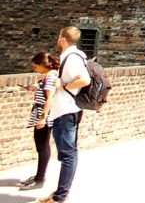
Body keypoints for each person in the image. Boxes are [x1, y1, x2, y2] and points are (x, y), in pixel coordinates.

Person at [39, 27, 91, 203]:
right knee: (70, 153)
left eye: (58, 36)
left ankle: (60, 197)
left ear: (62, 39)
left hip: (66, 111)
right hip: (68, 110)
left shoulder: (71, 57)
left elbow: (85, 79)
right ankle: (59, 194)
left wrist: (63, 86)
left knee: (68, 154)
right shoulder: (77, 55)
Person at [17, 52, 60, 192]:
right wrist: (35, 88)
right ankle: (38, 176)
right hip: (43, 114)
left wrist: (42, 117)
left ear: (44, 65)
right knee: (41, 145)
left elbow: (50, 98)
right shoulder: (50, 75)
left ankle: (40, 179)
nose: (34, 69)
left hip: (44, 115)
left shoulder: (51, 76)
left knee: (42, 146)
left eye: (36, 66)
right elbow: (45, 92)